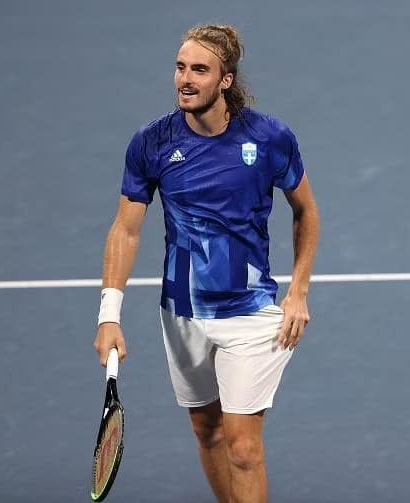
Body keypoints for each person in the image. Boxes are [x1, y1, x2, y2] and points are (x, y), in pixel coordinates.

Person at [92, 24, 320, 503]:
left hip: (252, 311)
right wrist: (108, 316)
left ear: (226, 81)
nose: (185, 79)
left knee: (242, 447)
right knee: (208, 431)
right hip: (182, 311)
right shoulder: (151, 143)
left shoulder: (271, 138)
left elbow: (306, 211)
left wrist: (298, 291)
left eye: (200, 69)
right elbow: (125, 229)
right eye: (180, 67)